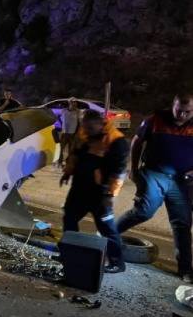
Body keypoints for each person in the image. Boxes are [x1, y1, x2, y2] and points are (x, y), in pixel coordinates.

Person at [116, 94, 193, 283]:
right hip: (154, 174)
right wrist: (133, 169)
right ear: (172, 106)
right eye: (179, 110)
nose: (182, 115)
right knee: (143, 211)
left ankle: (185, 269)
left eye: (188, 111)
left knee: (182, 224)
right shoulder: (155, 120)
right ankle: (107, 234)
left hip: (181, 181)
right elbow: (136, 142)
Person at [60, 110, 129, 273]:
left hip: (100, 193)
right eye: (85, 127)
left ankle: (117, 262)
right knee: (69, 218)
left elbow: (118, 171)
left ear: (101, 123)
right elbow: (75, 156)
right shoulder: (84, 134)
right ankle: (69, 253)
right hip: (79, 189)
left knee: (106, 227)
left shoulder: (116, 141)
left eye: (91, 128)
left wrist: (110, 195)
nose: (87, 131)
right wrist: (67, 173)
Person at [59, 99, 80, 166]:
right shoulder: (64, 111)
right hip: (64, 133)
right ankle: (60, 162)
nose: (74, 104)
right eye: (73, 103)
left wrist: (77, 133)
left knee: (71, 150)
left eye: (75, 103)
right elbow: (60, 119)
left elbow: (79, 122)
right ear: (69, 103)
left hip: (72, 133)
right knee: (61, 149)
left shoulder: (78, 112)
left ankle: (68, 163)